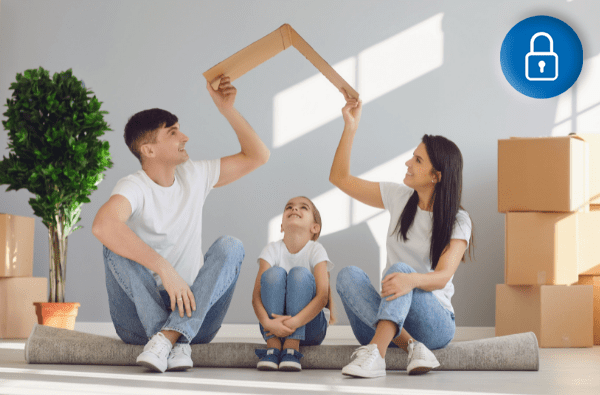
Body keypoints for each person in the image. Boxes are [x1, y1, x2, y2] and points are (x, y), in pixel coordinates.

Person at [92, 76, 270, 373]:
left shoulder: (194, 175)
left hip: (194, 312)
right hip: (136, 320)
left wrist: (227, 109)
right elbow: (103, 226)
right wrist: (164, 269)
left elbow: (258, 156)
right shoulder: (134, 186)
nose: (184, 137)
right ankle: (173, 339)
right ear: (148, 150)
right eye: (173, 132)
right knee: (112, 248)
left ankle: (168, 338)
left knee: (231, 246)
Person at [329, 89, 474, 378]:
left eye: (418, 160)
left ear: (437, 176)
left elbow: (442, 277)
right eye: (413, 157)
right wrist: (350, 126)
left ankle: (376, 354)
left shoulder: (458, 220)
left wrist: (409, 279)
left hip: (434, 322)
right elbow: (339, 178)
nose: (409, 163)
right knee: (347, 276)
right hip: (389, 314)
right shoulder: (398, 196)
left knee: (398, 271)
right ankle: (408, 347)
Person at [251, 196, 335, 372]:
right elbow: (256, 297)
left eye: (303, 207)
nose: (294, 209)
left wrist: (294, 323)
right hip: (272, 327)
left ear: (315, 227)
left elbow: (322, 297)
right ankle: (273, 347)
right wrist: (267, 322)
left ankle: (292, 347)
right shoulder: (271, 249)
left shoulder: (316, 250)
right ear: (281, 225)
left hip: (310, 326)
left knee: (299, 274)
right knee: (273, 274)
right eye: (289, 207)